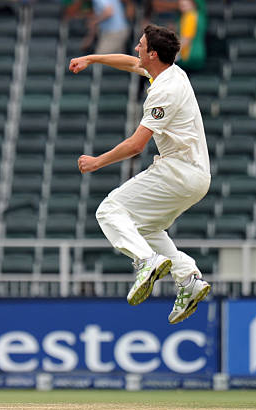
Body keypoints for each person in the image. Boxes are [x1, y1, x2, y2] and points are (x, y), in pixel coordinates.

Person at [69, 24, 211, 324]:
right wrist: (92, 58)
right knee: (145, 228)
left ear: (154, 54)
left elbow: (136, 145)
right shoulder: (169, 72)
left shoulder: (164, 90)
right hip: (195, 177)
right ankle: (188, 279)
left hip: (178, 171)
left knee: (109, 210)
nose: (137, 48)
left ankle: (146, 261)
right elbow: (131, 63)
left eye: (141, 45)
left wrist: (97, 162)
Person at [176, 0, 206, 72]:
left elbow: (186, 39)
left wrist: (174, 54)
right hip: (199, 53)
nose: (182, 2)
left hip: (189, 55)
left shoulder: (190, 16)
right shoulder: (199, 15)